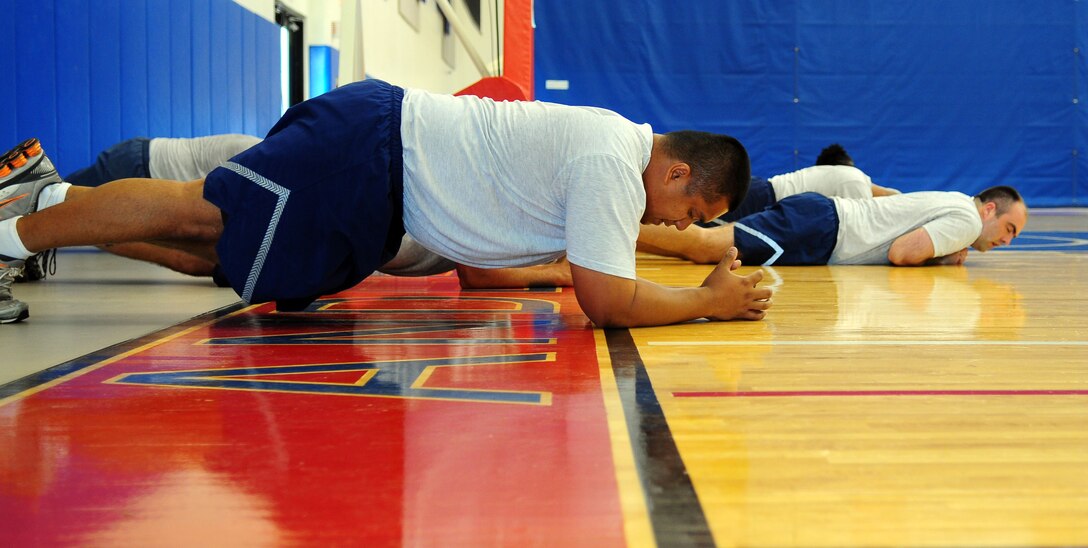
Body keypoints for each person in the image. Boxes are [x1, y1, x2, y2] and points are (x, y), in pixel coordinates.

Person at [0, 78, 773, 326]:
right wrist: (707, 300)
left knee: (217, 257)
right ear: (678, 176)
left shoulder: (611, 154)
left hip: (379, 195)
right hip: (368, 154)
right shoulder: (614, 159)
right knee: (202, 211)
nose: (681, 225)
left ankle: (48, 201)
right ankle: (22, 227)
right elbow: (605, 300)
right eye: (695, 212)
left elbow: (558, 271)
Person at [636, 186, 1028, 266]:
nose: (1006, 242)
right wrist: (941, 259)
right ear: (990, 210)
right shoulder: (965, 219)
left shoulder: (955, 199)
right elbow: (903, 253)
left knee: (705, 243)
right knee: (704, 246)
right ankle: (600, 231)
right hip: (823, 229)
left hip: (821, 220)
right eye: (1009, 230)